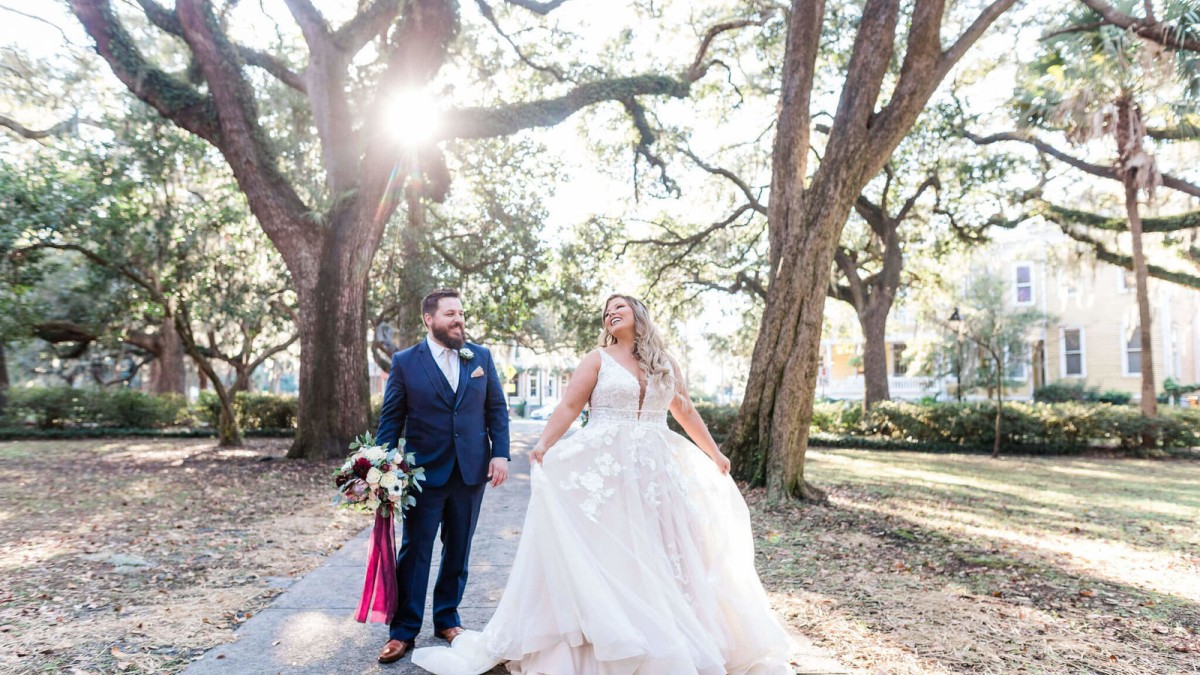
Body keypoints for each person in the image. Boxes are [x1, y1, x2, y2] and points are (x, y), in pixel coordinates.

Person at [412, 294, 793, 674]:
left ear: (638, 313)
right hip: (607, 472)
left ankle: (668, 634)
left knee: (663, 551)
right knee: (616, 552)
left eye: (619, 308)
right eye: (606, 312)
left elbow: (685, 411)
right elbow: (569, 406)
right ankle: (612, 637)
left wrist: (714, 453)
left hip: (657, 472)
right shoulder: (597, 360)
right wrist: (544, 444)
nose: (611, 314)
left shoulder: (665, 362)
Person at [375, 288, 511, 664]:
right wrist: (380, 466)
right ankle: (403, 631)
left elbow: (496, 409)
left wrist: (500, 453)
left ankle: (447, 619)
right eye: (450, 314)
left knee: (459, 549)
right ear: (429, 319)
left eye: (462, 313)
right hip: (422, 474)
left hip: (470, 472)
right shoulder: (405, 362)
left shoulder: (479, 356)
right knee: (415, 552)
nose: (459, 320)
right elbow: (391, 420)